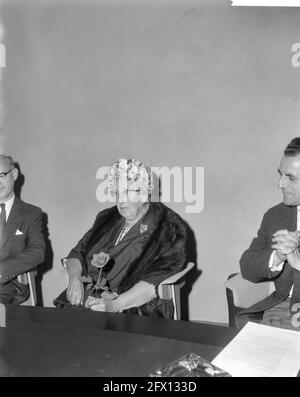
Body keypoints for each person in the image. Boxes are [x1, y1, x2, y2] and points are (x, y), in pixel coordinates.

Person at [54, 158, 188, 318]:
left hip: (131, 308)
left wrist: (116, 304)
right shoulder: (107, 218)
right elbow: (77, 252)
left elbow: (155, 280)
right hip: (86, 300)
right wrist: (74, 279)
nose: (121, 200)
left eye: (127, 192)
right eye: (117, 193)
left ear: (144, 193)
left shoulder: (168, 226)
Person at [238, 138, 300, 330]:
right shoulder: (275, 216)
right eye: (280, 174)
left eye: (291, 178)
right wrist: (278, 256)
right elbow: (247, 266)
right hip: (281, 310)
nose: (280, 184)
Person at [0, 155, 45, 304]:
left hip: (9, 286)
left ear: (14, 174)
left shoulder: (31, 213)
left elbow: (37, 252)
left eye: (1, 175)